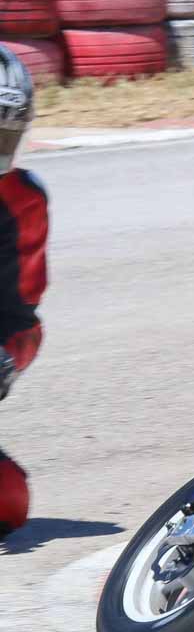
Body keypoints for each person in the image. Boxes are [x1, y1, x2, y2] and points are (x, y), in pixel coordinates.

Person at [0, 45, 48, 539]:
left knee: (8, 501)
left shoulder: (21, 202)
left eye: (2, 136)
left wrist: (5, 360)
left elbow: (21, 319)